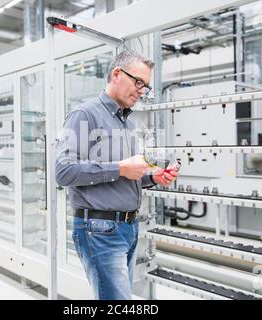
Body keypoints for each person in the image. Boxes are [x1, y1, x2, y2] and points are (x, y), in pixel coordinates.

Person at [55, 50, 179, 300]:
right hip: (100, 230)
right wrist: (121, 167)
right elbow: (63, 171)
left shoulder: (127, 123)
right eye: (138, 82)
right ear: (116, 74)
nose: (142, 91)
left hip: (128, 227)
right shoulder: (84, 115)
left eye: (146, 86)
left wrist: (153, 177)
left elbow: (127, 174)